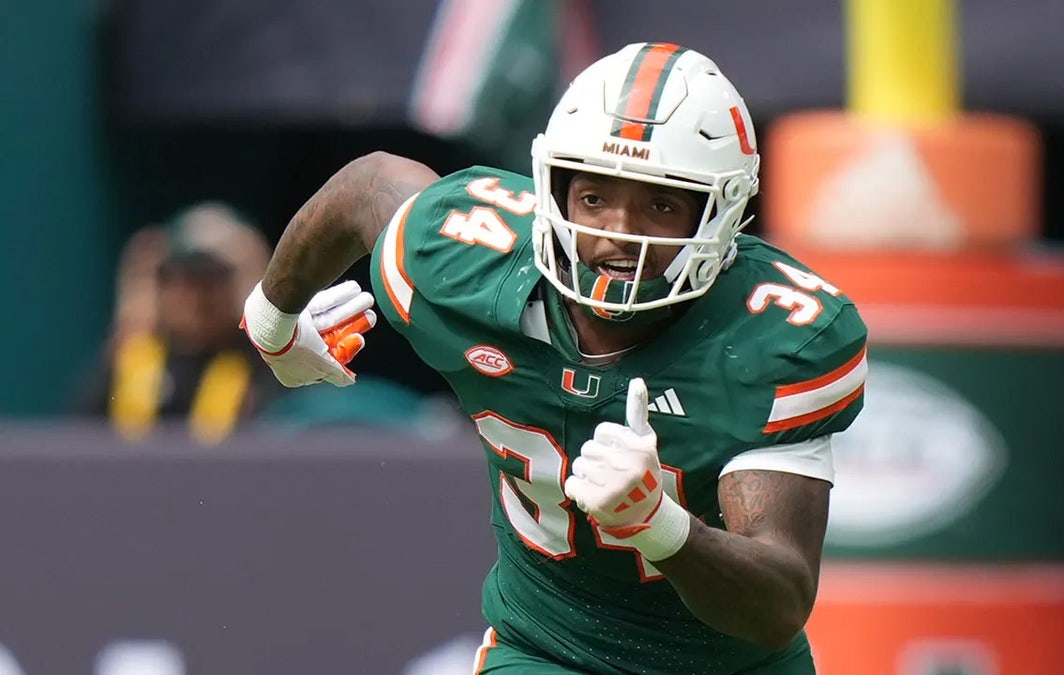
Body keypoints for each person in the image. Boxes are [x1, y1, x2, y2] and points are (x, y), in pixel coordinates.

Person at [241, 43, 868, 674]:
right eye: (595, 199)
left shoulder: (773, 339)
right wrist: (273, 321)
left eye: (660, 204)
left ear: (721, 214)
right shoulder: (468, 264)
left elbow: (778, 605)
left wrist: (660, 526)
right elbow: (367, 186)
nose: (617, 234)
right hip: (548, 648)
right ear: (556, 191)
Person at [75, 202, 287, 445]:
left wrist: (267, 294)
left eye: (214, 280)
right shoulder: (131, 364)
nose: (199, 297)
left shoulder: (264, 368)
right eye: (185, 279)